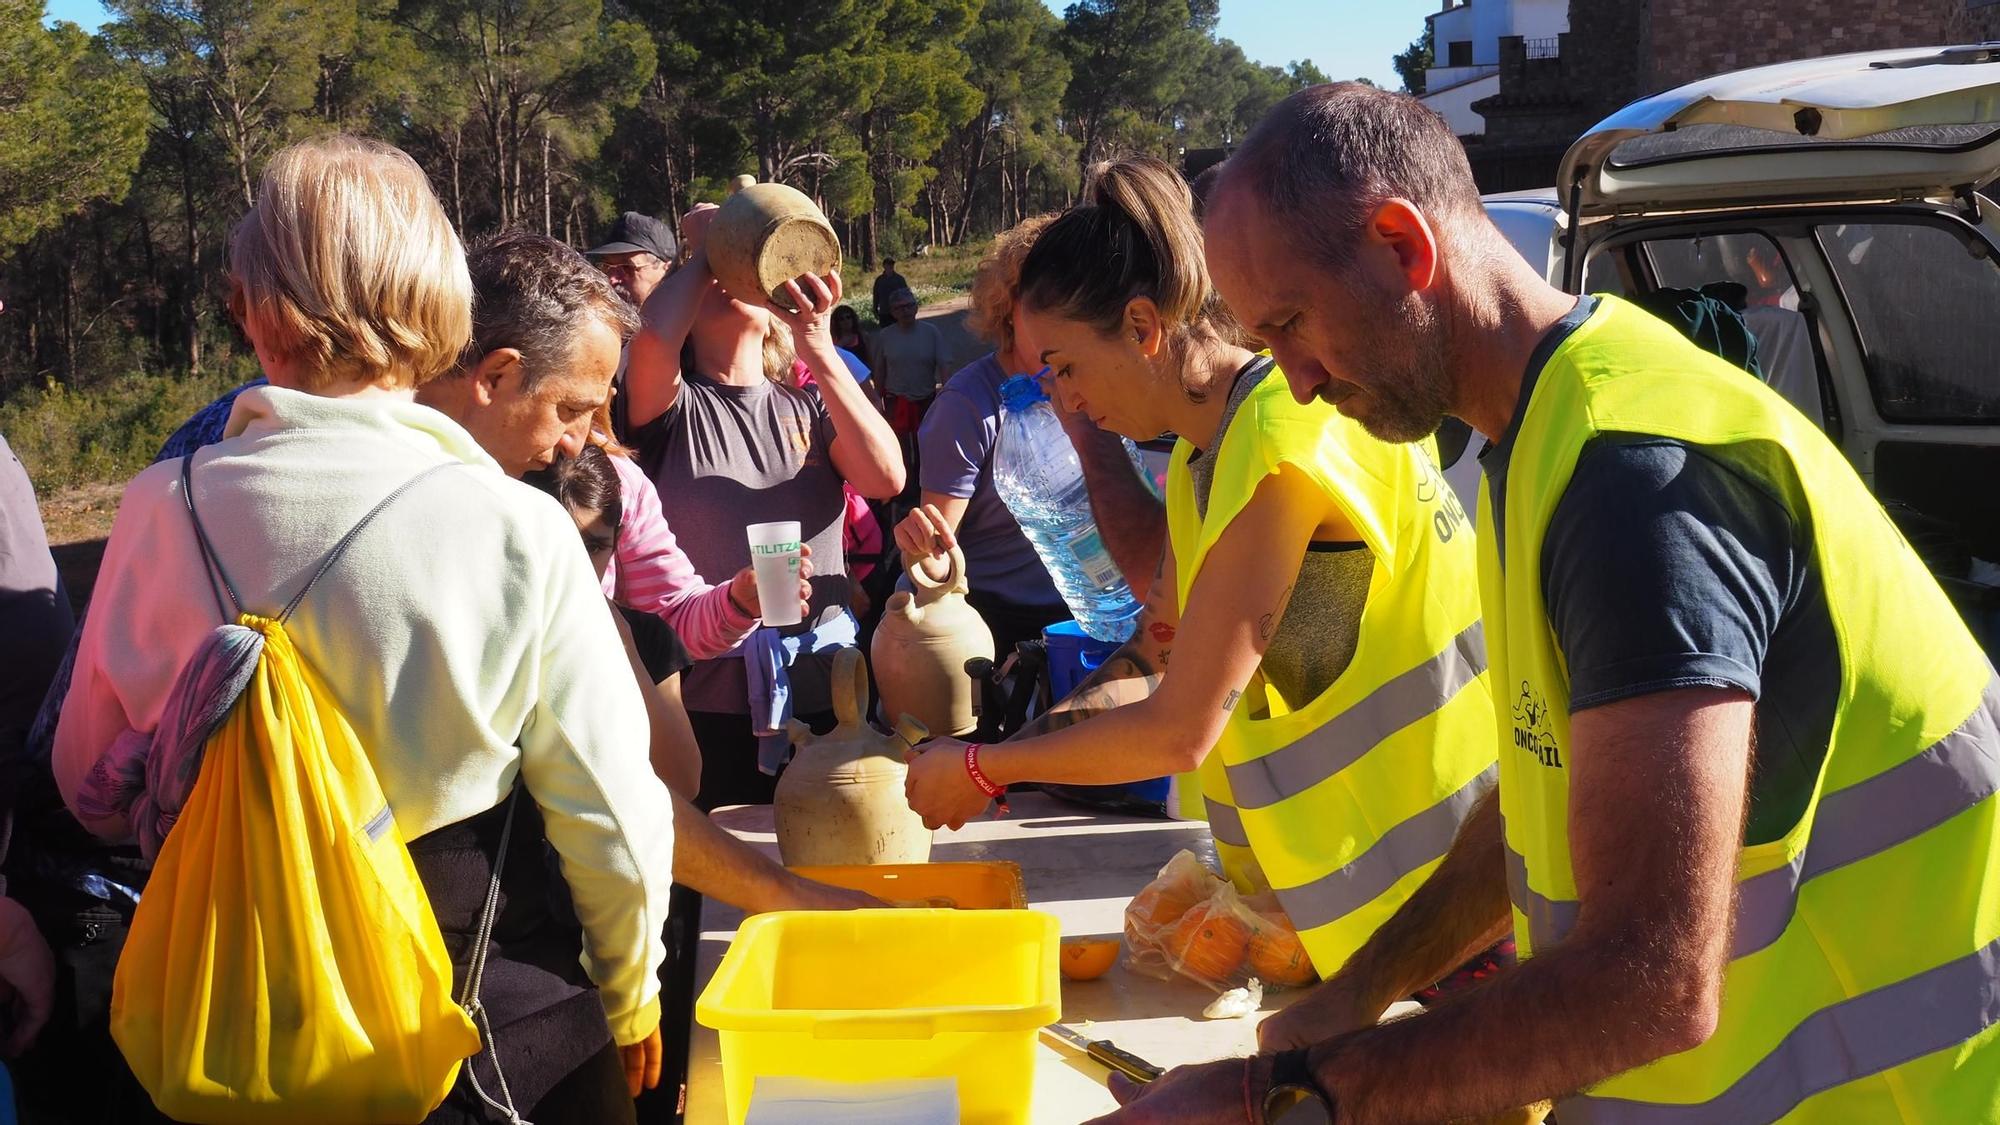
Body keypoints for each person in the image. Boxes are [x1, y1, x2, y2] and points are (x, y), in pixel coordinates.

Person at [1095, 82, 2000, 1125]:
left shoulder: (1632, 478)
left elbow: (1647, 984)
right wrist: (1358, 992)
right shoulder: (1542, 438)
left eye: (1291, 323)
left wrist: (1283, 1098)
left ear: (1401, 245)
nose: (1290, 381)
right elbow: (1539, 803)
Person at [51, 135, 675, 1123]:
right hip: (471, 1023)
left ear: (257, 312)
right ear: (441, 301)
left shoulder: (155, 506)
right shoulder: (517, 529)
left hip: (232, 1021)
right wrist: (634, 993)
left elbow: (86, 782)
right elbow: (609, 814)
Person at [902, 156, 1499, 1005]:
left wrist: (990, 767)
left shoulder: (1278, 430)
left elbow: (1181, 728)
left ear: (1143, 326)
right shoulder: (1199, 461)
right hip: (1387, 916)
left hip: (1463, 899)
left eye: (1065, 367)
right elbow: (1157, 647)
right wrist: (1001, 750)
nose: (1064, 399)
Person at [623, 203, 903, 810]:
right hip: (707, 705)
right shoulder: (670, 411)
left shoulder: (807, 406)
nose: (728, 283)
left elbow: (886, 477)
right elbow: (650, 339)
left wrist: (820, 347)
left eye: (740, 271)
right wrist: (704, 253)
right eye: (713, 279)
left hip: (827, 691)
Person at [891, 216, 1069, 662]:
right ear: (1008, 308)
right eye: (1042, 306)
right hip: (991, 620)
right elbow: (938, 559)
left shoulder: (1083, 386)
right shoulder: (966, 405)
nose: (1060, 324)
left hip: (1075, 611)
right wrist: (918, 548)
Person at [586, 211, 678, 309]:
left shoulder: (689, 318)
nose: (611, 279)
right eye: (606, 267)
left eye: (627, 268)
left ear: (667, 271)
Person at [870, 256, 907, 326]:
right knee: (885, 332)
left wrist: (905, 309)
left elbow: (905, 294)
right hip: (884, 311)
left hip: (898, 310)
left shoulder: (899, 279)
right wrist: (875, 309)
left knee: (898, 332)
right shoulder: (879, 280)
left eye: (892, 264)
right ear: (884, 266)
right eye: (888, 264)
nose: (890, 266)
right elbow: (876, 295)